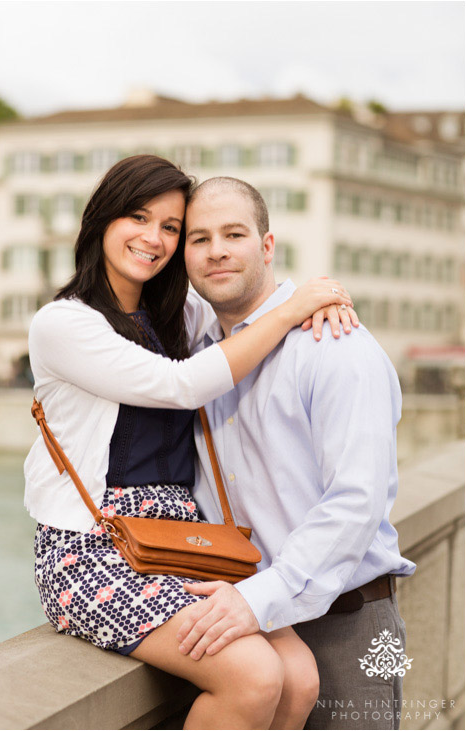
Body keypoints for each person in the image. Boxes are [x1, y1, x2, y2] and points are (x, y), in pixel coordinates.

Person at [25, 155, 356, 729]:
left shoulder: (176, 312)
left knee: (299, 678)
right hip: (93, 548)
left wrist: (317, 297)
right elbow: (181, 385)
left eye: (171, 228)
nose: (154, 239)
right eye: (137, 218)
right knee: (254, 676)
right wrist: (291, 310)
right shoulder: (64, 324)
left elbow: (243, 299)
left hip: (186, 538)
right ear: (102, 220)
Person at [177, 176, 415, 730]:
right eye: (199, 238)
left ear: (267, 246)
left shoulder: (335, 345)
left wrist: (259, 600)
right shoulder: (200, 358)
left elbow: (356, 502)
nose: (216, 251)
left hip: (345, 625)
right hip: (248, 633)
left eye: (233, 234)